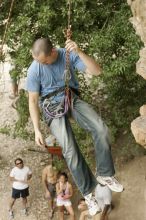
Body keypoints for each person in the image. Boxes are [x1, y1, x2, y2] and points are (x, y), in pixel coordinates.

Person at [26, 37, 123, 216]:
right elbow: (32, 100)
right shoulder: (34, 68)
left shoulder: (67, 55)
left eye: (44, 61)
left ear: (53, 52)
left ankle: (105, 173)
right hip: (51, 107)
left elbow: (97, 71)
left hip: (70, 98)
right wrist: (37, 129)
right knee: (69, 149)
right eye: (38, 61)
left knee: (101, 129)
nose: (40, 64)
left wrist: (79, 52)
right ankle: (88, 193)